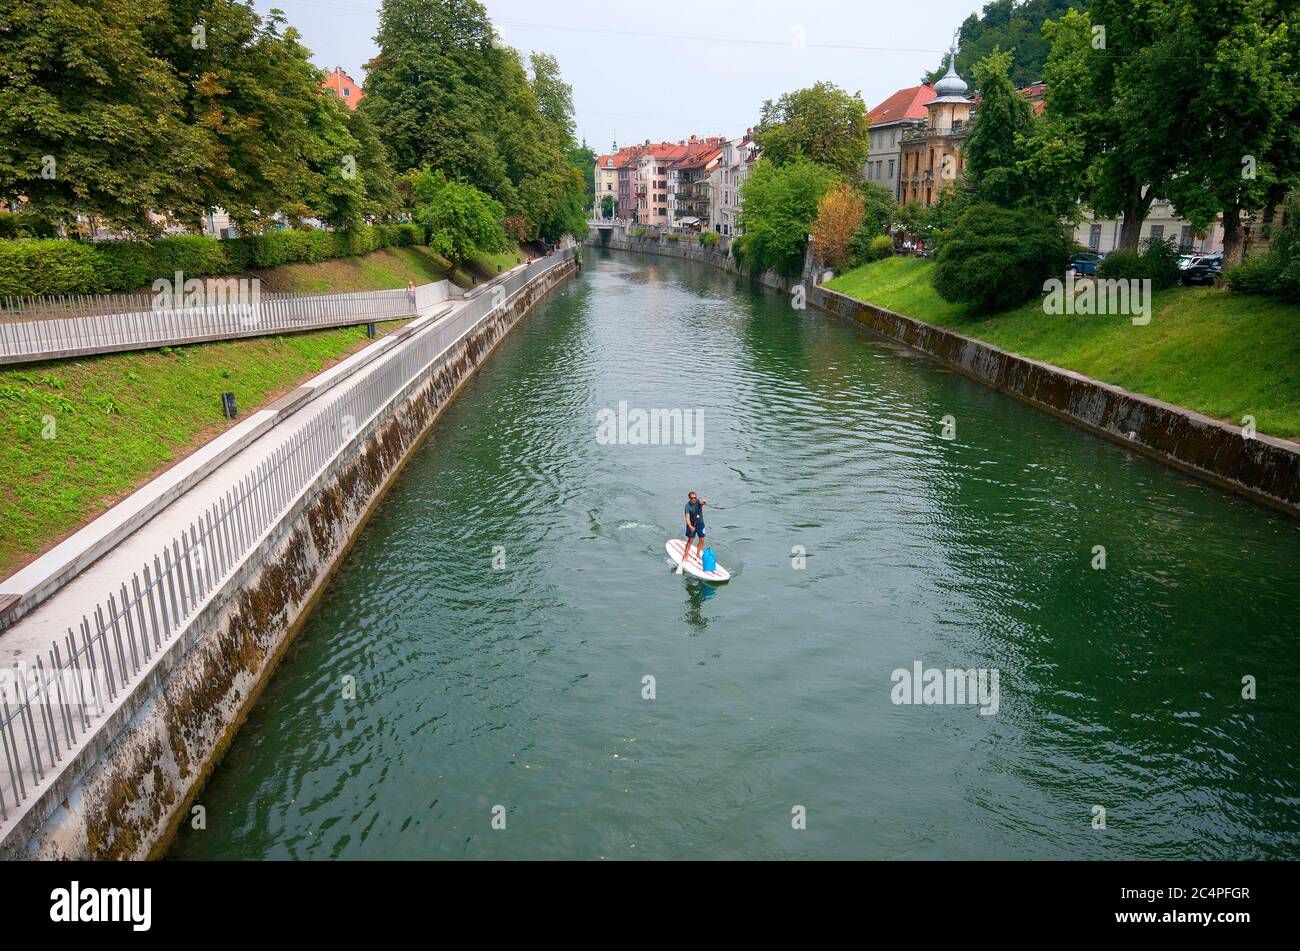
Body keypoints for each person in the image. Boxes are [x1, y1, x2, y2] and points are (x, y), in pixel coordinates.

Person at [677, 491, 708, 574]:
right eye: (692, 498)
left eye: (695, 497)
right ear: (689, 498)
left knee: (702, 540)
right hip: (691, 525)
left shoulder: (698, 501)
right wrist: (690, 527)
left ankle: (698, 554)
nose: (694, 499)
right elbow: (687, 518)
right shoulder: (687, 506)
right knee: (690, 541)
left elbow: (703, 502)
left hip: (700, 524)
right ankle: (685, 555)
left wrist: (704, 502)